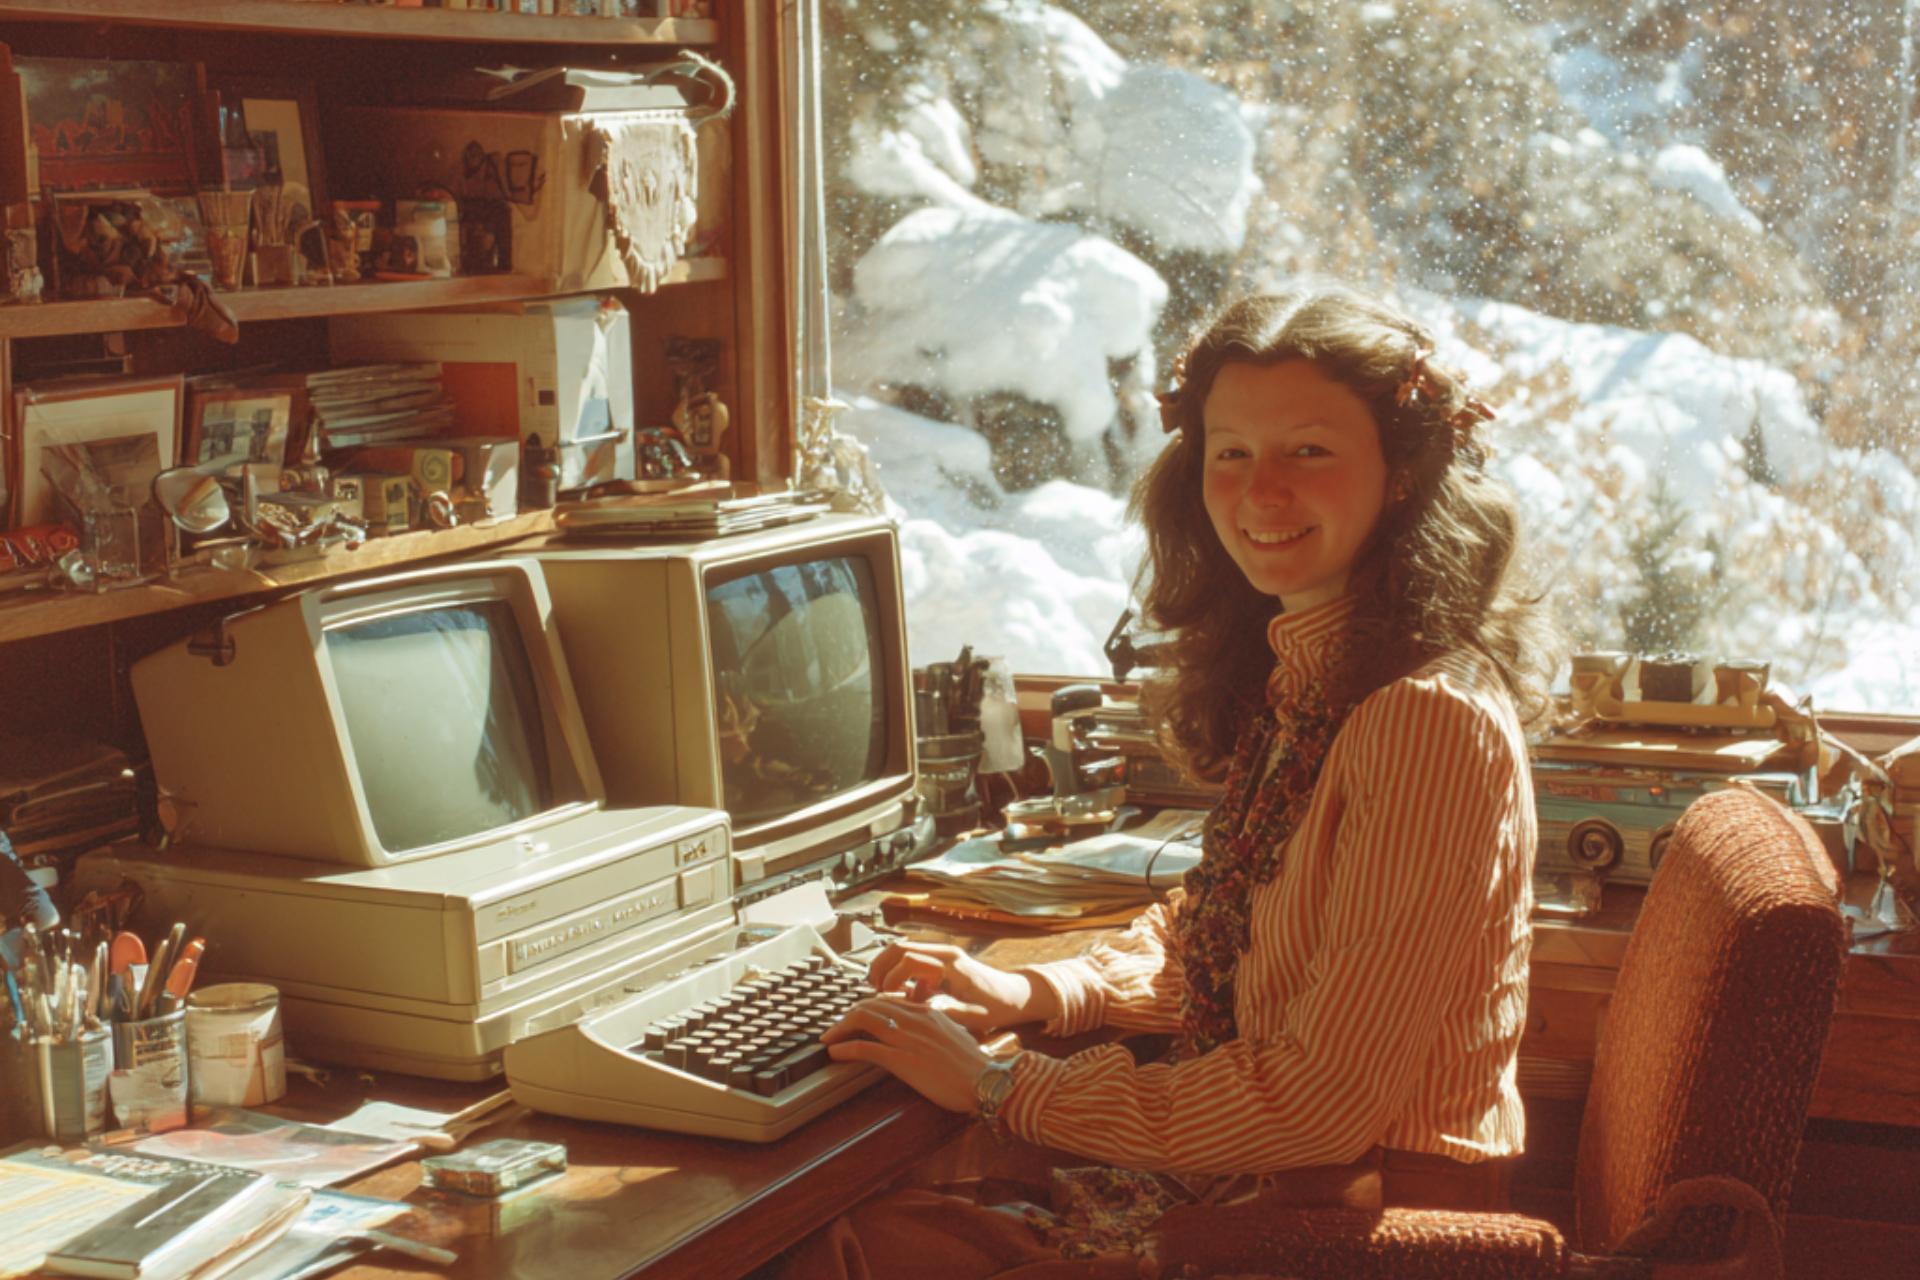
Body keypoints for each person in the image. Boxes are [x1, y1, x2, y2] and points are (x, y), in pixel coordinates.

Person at [788, 286, 1558, 1279]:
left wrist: (999, 1083)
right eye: (1230, 453)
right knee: (878, 1226)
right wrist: (1035, 986)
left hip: (1342, 1240)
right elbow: (1219, 935)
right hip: (1266, 1205)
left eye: (1308, 452)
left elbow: (1319, 1098)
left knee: (848, 1244)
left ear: (1402, 474)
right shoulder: (1318, 677)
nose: (1259, 492)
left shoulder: (1424, 720)